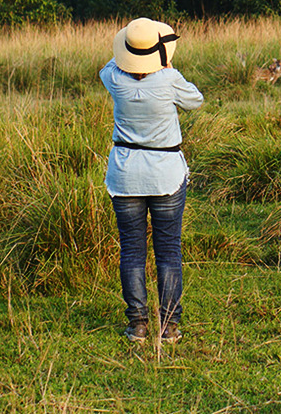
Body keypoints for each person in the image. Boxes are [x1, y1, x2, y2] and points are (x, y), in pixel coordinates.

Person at [99, 17, 203, 343]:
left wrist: (133, 52)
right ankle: (170, 325)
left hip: (125, 174)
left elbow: (111, 65)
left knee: (132, 251)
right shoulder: (169, 78)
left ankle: (138, 324)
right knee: (168, 250)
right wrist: (165, 63)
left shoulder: (115, 79)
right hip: (166, 174)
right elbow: (195, 100)